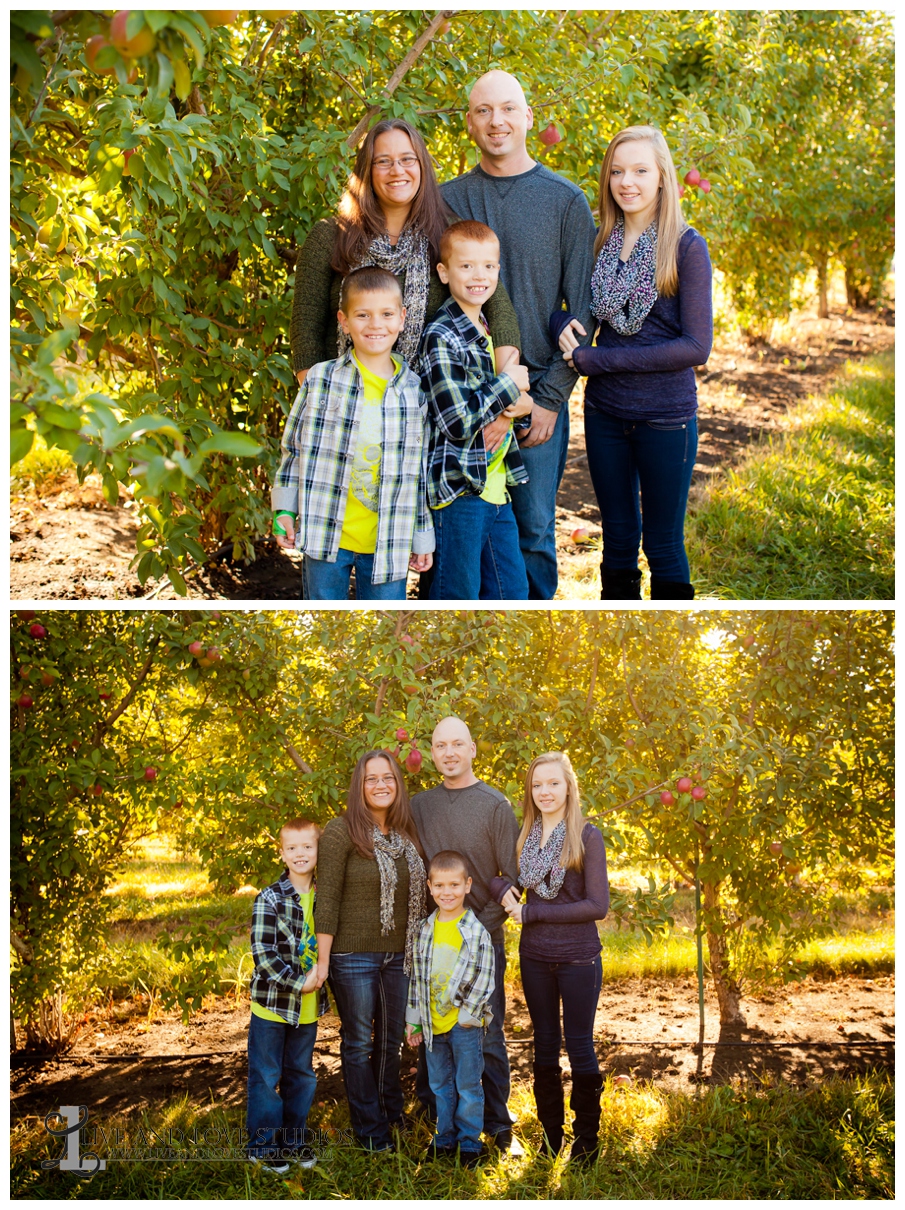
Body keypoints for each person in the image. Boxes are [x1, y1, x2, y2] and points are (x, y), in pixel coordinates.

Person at [441, 70, 597, 600]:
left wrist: (551, 398)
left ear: (529, 117)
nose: (496, 121)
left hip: (535, 402)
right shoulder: (446, 201)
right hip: (459, 402)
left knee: (531, 533)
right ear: (469, 123)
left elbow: (584, 310)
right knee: (459, 536)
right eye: (483, 110)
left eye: (508, 108)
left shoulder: (566, 202)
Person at [552, 125, 713, 601]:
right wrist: (559, 322)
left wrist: (600, 360)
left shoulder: (685, 246)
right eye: (617, 171)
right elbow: (573, 305)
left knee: (662, 543)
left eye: (641, 170)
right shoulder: (601, 241)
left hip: (665, 418)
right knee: (617, 540)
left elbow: (695, 347)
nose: (627, 182)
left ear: (662, 176)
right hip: (605, 415)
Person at [289, 117, 522, 384]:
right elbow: (305, 331)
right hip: (343, 406)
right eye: (383, 161)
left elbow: (500, 312)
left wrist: (509, 390)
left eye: (407, 159)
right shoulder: (330, 236)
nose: (397, 170)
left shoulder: (450, 236)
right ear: (367, 169)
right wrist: (322, 400)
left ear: (421, 166)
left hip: (430, 410)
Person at [271, 266, 434, 600]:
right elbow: (294, 449)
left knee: (384, 622)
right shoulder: (320, 380)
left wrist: (421, 536)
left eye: (386, 314)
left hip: (388, 540)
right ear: (344, 321)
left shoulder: (414, 392)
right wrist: (284, 509)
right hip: (325, 532)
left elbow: (418, 472)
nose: (375, 325)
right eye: (362, 315)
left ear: (402, 318)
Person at [409, 716, 523, 1154]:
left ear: (473, 749)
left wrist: (480, 931)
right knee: (434, 1029)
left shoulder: (495, 805)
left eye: (458, 744)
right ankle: (438, 1117)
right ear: (432, 753)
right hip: (434, 941)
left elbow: (510, 879)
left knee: (485, 1033)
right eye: (441, 746)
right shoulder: (420, 806)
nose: (450, 752)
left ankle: (497, 1124)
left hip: (480, 943)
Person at [490, 753, 609, 1166]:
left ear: (568, 787)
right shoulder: (524, 838)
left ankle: (587, 1141)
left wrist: (533, 912)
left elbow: (597, 905)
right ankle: (550, 1137)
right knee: (543, 1046)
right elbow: (502, 876)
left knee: (579, 1047)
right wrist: (501, 889)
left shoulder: (586, 837)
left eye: (553, 784)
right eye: (537, 785)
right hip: (535, 958)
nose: (544, 792)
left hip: (578, 959)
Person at [313, 749, 427, 1152]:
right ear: (359, 787)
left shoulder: (406, 834)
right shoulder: (341, 830)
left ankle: (391, 1114)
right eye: (371, 779)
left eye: (388, 778)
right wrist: (323, 961)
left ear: (399, 784)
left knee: (390, 1041)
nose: (381, 785)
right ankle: (370, 1130)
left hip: (399, 955)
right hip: (352, 956)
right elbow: (326, 898)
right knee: (359, 1042)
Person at [421, 220, 534, 600]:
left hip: (496, 488)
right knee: (456, 594)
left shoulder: (486, 329)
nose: (478, 276)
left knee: (512, 594)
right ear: (444, 271)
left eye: (488, 266)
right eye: (466, 266)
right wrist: (511, 384)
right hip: (459, 490)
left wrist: (518, 404)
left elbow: (518, 409)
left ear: (498, 271)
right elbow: (457, 421)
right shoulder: (441, 336)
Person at [246, 817, 329, 1175]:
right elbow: (263, 955)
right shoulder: (270, 897)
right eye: (292, 848)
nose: (300, 854)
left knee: (301, 1074)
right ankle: (263, 1146)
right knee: (266, 1075)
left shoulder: (326, 896)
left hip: (307, 1010)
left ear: (318, 850)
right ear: (282, 853)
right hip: (272, 1006)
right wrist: (299, 983)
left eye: (307, 846)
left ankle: (293, 1140)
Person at [405, 850, 496, 1168]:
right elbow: (416, 978)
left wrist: (467, 1014)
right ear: (429, 887)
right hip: (432, 1024)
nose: (447, 892)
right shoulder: (424, 930)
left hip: (464, 1024)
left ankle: (470, 1142)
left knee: (468, 1085)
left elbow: (485, 977)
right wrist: (413, 1021)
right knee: (440, 1085)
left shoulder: (475, 932)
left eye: (454, 885)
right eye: (440, 886)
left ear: (468, 885)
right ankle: (444, 1139)